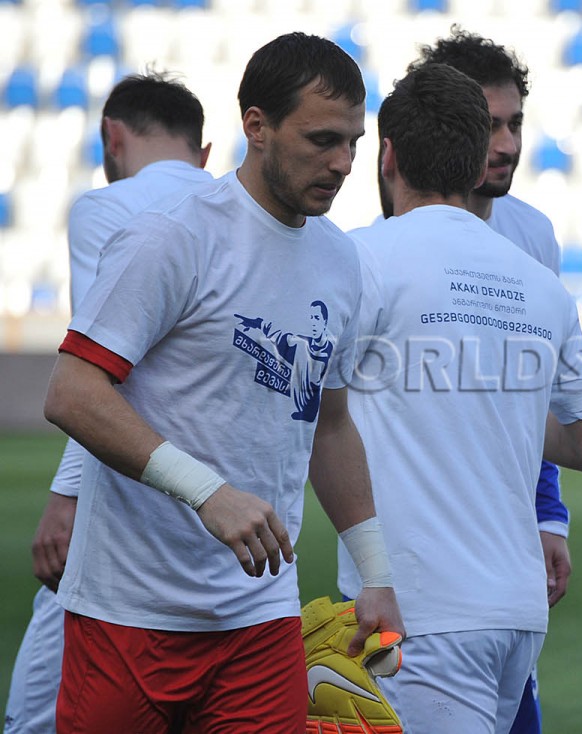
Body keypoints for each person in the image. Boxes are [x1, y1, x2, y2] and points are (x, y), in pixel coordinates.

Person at [40, 33, 402, 732]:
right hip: (128, 609)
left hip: (259, 616)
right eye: (322, 139)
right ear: (256, 126)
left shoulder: (342, 262)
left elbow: (328, 424)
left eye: (354, 143)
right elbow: (73, 391)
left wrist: (377, 573)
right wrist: (206, 491)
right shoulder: (172, 236)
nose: (343, 163)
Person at [341, 61, 582, 733]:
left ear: (387, 156)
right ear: (474, 163)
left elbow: (316, 410)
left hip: (423, 610)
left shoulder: (358, 258)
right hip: (518, 612)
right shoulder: (539, 281)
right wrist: (497, 400)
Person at [4, 71, 214, 734]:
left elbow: (99, 372)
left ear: (110, 138)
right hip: (225, 506)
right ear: (205, 153)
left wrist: (66, 497)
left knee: (39, 712)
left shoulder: (107, 207)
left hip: (126, 496)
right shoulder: (237, 213)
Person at [406, 27, 568, 733]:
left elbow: (540, 396)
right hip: (412, 571)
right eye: (488, 125)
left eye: (515, 124)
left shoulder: (533, 234)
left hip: (504, 571)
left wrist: (547, 514)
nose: (505, 145)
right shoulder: (389, 241)